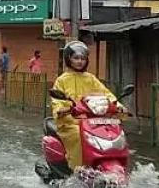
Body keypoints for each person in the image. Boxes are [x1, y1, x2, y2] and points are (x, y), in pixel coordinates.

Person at [50, 41, 123, 171]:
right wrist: (62, 109)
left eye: (83, 58)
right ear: (69, 59)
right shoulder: (62, 80)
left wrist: (119, 106)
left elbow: (107, 94)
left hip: (93, 122)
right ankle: (78, 171)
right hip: (71, 123)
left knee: (114, 133)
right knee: (79, 136)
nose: (80, 61)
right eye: (76, 58)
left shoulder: (91, 78)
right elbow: (57, 101)